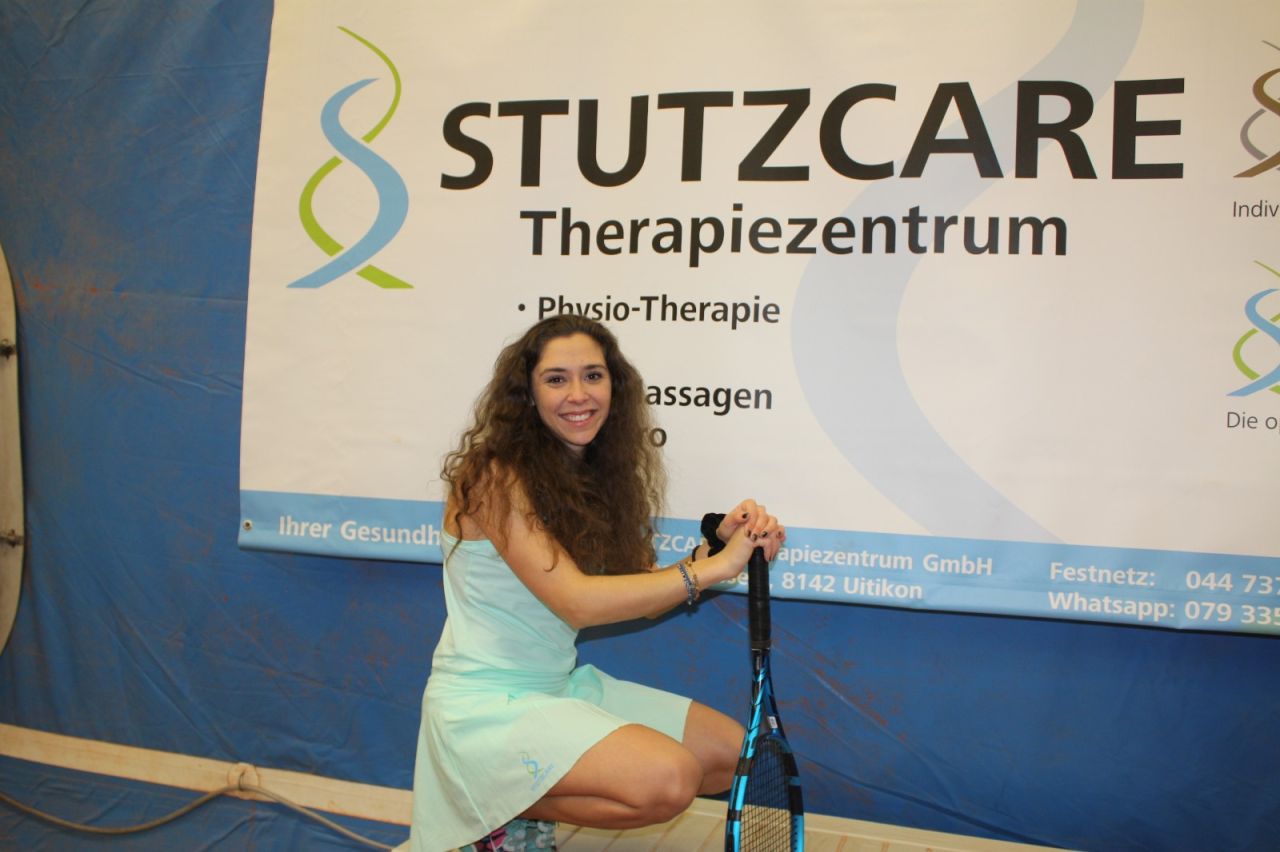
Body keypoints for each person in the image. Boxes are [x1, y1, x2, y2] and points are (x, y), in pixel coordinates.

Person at [407, 314, 784, 852]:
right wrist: (716, 570)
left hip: (557, 687)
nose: (578, 394)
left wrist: (715, 550)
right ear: (527, 394)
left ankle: (506, 796)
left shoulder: (589, 477)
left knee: (730, 754)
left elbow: (642, 595)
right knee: (670, 779)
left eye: (593, 375)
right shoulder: (492, 475)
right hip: (484, 705)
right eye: (556, 379)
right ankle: (486, 798)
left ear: (614, 385)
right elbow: (577, 603)